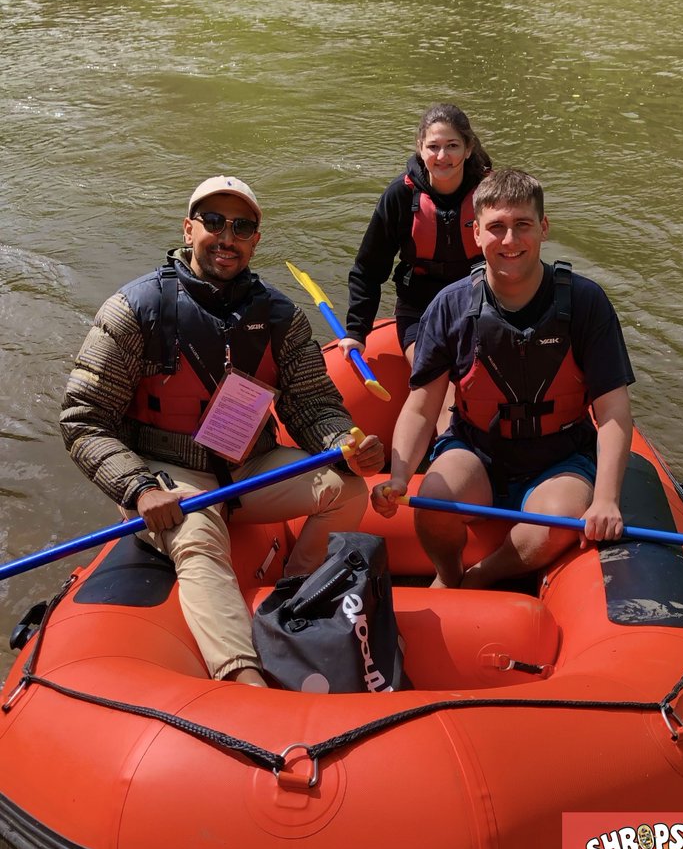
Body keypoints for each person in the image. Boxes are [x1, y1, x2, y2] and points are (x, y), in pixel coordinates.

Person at [61, 176, 384, 686]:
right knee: (197, 537)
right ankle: (243, 679)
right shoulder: (134, 310)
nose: (226, 236)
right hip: (163, 470)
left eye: (242, 226)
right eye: (213, 222)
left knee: (346, 490)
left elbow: (314, 405)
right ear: (188, 230)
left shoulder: (281, 318)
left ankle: (294, 596)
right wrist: (137, 486)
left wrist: (342, 442)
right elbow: (83, 419)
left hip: (246, 467)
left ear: (256, 240)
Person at [371, 168, 635, 589]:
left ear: (543, 228)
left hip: (561, 457)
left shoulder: (587, 303)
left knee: (556, 521)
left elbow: (614, 410)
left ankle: (476, 579)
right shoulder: (450, 305)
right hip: (477, 449)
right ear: (475, 234)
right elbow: (421, 407)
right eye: (496, 228)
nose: (510, 241)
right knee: (432, 502)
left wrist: (606, 499)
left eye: (522, 225)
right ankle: (448, 573)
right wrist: (399, 477)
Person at [339, 103, 492, 431]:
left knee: (480, 384)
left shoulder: (491, 194)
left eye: (452, 146)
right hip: (420, 311)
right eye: (433, 147)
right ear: (420, 149)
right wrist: (356, 330)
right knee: (442, 388)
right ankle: (452, 458)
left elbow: (516, 254)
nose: (442, 156)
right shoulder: (400, 196)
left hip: (480, 307)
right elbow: (369, 268)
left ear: (468, 149)